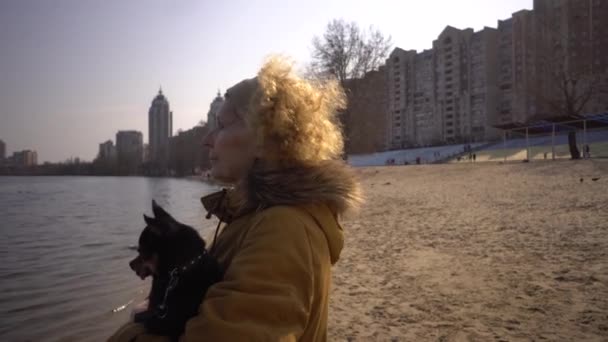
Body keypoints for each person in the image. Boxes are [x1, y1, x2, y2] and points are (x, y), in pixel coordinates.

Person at [108, 56, 362, 342]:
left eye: (221, 125)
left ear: (266, 136)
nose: (207, 140)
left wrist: (131, 330)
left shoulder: (283, 228)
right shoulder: (255, 216)